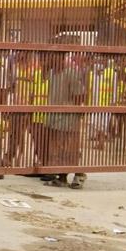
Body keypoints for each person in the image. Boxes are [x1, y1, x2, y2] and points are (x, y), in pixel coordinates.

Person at [46, 56, 88, 188]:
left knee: (71, 149)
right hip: (55, 117)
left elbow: (80, 95)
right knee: (59, 151)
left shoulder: (70, 73)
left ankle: (79, 175)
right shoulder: (52, 74)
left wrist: (72, 111)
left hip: (68, 117)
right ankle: (62, 177)